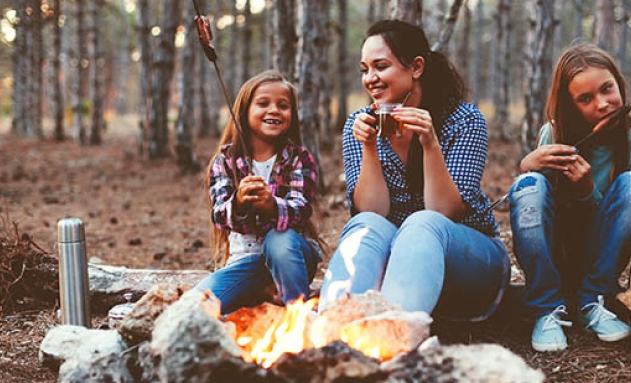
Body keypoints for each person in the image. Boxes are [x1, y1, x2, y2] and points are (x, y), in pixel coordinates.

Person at [318, 19, 510, 321]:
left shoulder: (463, 120)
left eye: (380, 66)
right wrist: (369, 147)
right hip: (397, 271)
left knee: (422, 224)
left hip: (471, 267)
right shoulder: (359, 123)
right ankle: (332, 327)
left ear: (416, 67)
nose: (370, 78)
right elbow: (372, 212)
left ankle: (396, 334)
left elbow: (445, 211)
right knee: (365, 223)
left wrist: (430, 143)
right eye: (364, 69)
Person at [509, 43, 631, 352]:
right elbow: (536, 212)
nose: (603, 104)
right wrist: (525, 167)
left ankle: (594, 300)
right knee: (530, 184)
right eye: (585, 99)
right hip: (555, 253)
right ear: (570, 105)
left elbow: (625, 222)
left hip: (601, 259)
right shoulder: (554, 136)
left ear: (619, 84)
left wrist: (588, 192)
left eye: (607, 89)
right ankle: (546, 307)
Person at [195, 70, 321, 314]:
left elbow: (301, 209)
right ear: (244, 111)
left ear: (292, 115)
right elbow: (220, 215)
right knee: (197, 305)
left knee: (279, 240)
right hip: (244, 264)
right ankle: (259, 291)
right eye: (263, 103)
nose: (274, 110)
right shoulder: (226, 162)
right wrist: (239, 202)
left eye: (283, 105)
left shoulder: (298, 158)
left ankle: (298, 316)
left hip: (291, 257)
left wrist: (272, 206)